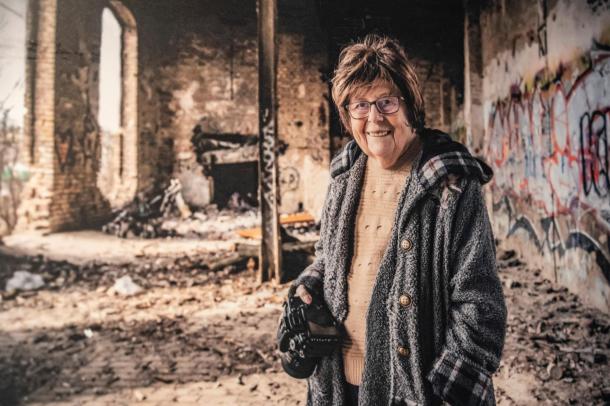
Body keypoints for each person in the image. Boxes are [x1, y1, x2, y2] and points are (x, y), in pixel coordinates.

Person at [290, 34, 507, 406]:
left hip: (416, 392)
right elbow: (329, 258)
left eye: (386, 102)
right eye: (359, 105)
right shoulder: (344, 179)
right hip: (340, 388)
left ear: (409, 106)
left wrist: (443, 385)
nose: (373, 118)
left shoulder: (450, 185)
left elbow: (480, 302)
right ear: (347, 114)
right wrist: (308, 285)